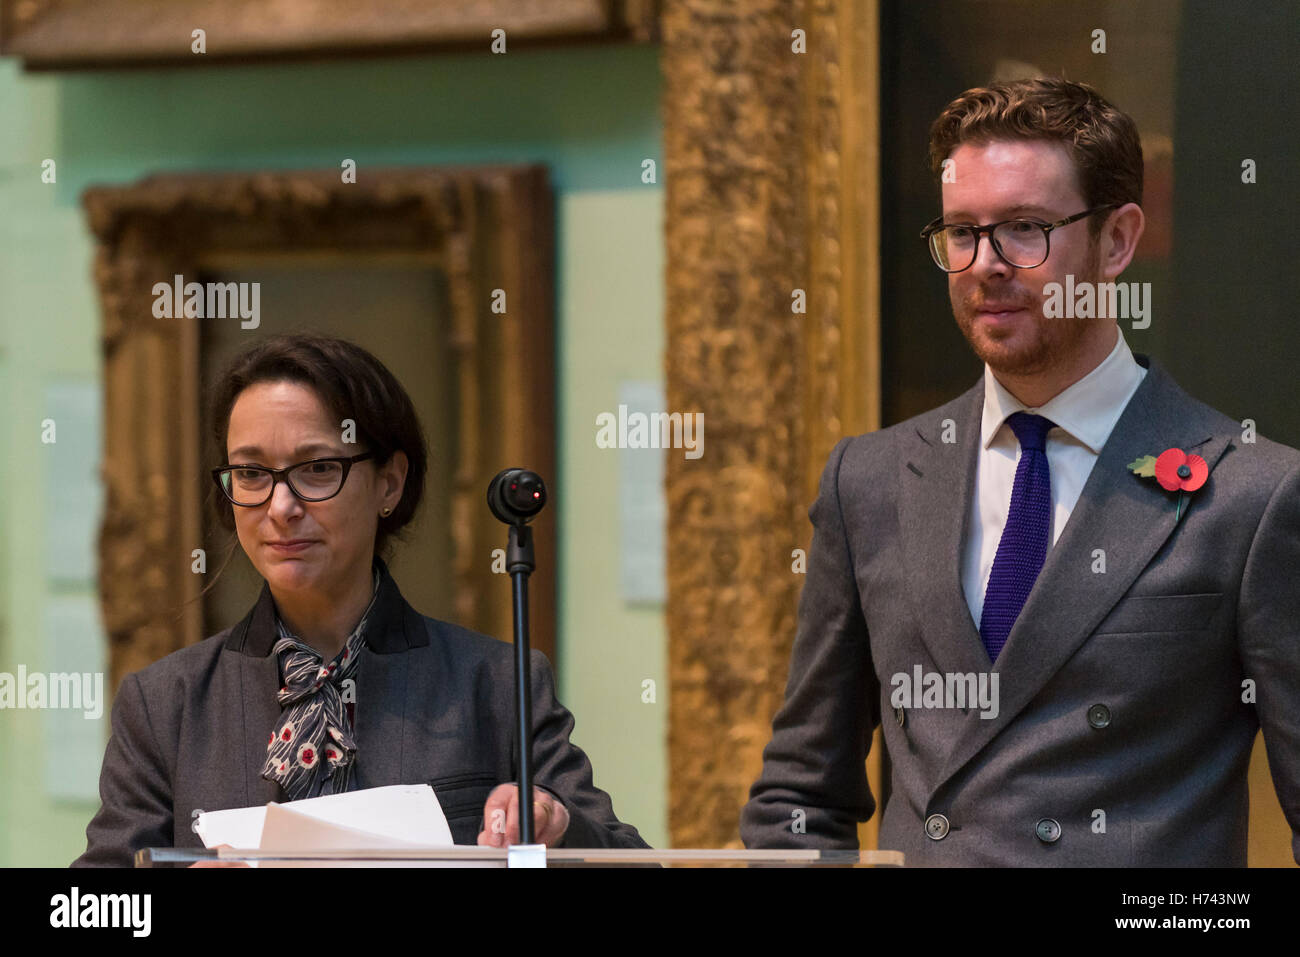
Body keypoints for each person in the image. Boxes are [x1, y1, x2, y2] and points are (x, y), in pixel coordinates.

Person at [740, 77, 1299, 865]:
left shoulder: (1254, 494)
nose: (985, 265)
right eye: (961, 233)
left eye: (1026, 230)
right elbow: (800, 796)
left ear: (1117, 241)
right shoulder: (868, 480)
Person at [74, 332, 647, 866]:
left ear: (389, 483)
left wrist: (557, 825)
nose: (280, 507)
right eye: (251, 473)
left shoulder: (495, 684)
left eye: (317, 468)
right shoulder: (164, 705)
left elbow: (629, 861)